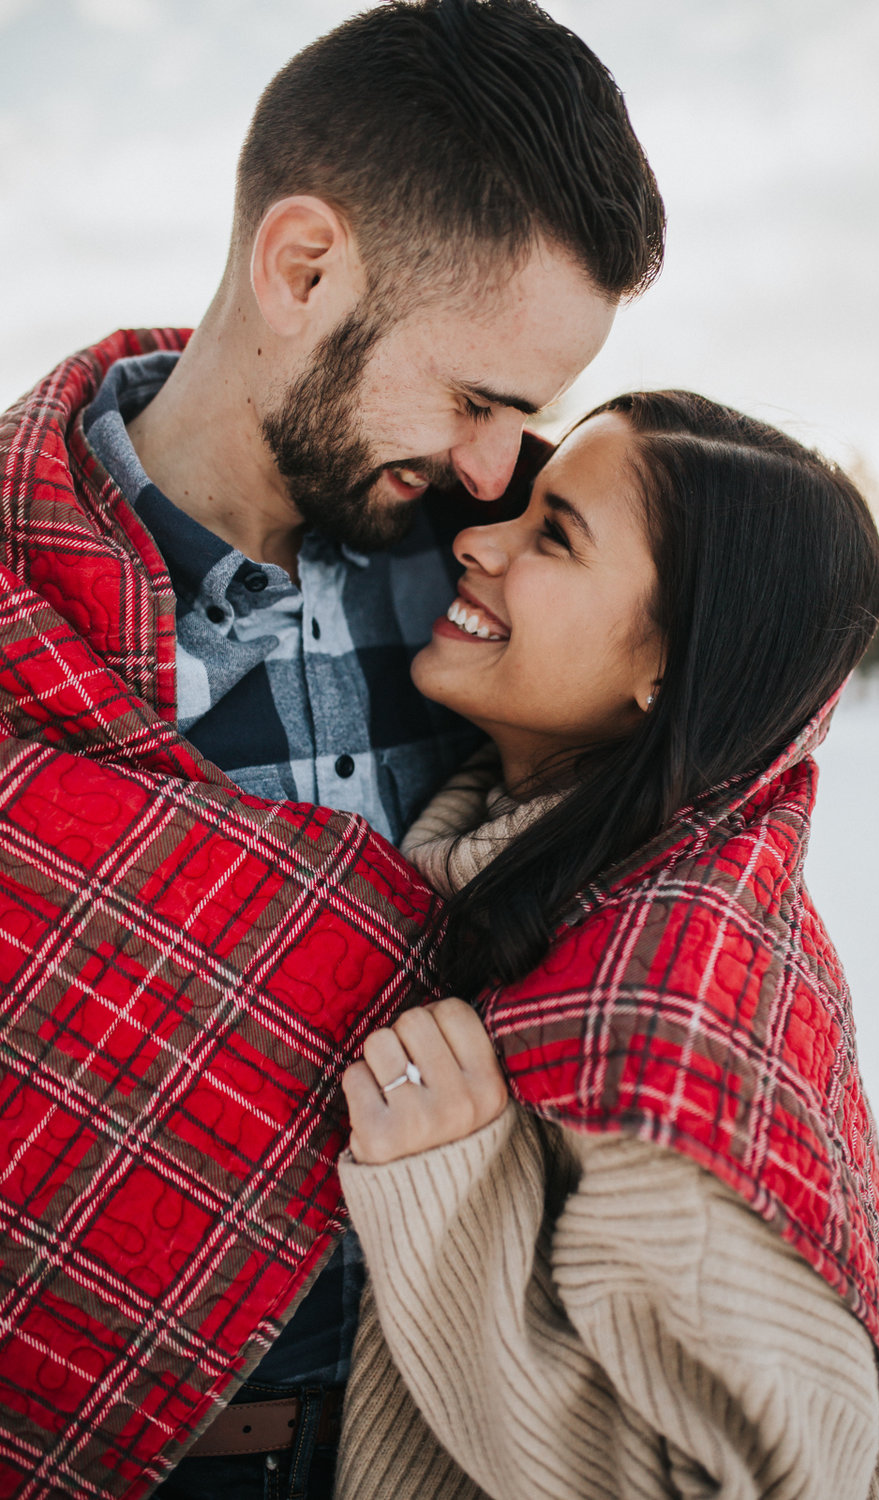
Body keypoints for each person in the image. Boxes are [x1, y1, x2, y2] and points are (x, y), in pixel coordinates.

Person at [0, 3, 663, 1496]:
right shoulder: (16, 593)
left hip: (463, 1442)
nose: (501, 467)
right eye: (478, 399)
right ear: (302, 268)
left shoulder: (513, 591)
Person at [335, 393, 879, 1499]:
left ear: (670, 673)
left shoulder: (665, 1016)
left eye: (553, 534)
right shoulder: (545, 875)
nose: (475, 540)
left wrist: (455, 1199)